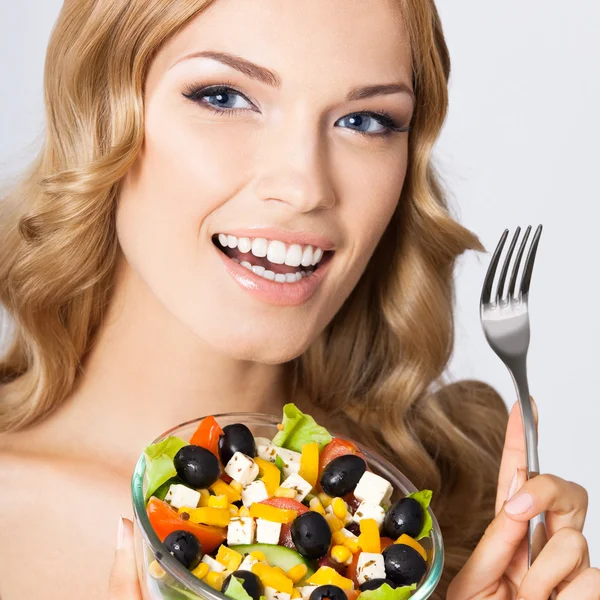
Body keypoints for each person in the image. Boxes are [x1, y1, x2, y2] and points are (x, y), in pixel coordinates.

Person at [0, 0, 595, 598]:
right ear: (98, 114)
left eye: (365, 121)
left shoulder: (449, 514)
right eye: (223, 97)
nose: (305, 186)